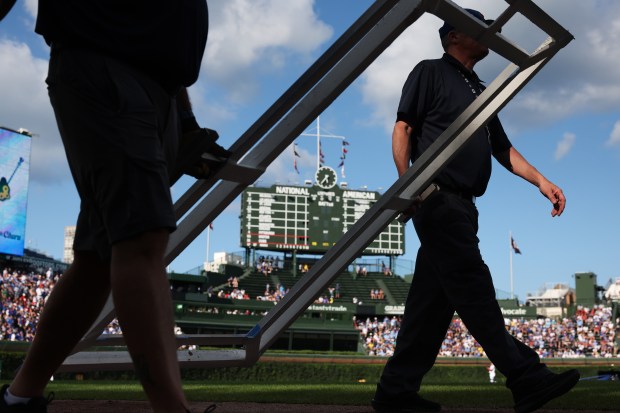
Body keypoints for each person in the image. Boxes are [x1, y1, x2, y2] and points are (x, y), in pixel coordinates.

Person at [0, 1, 217, 413]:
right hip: (105, 62)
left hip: (159, 88)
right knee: (141, 238)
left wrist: (185, 118)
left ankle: (18, 398)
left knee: (97, 260)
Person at [371, 9, 579, 413]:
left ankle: (396, 392)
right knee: (475, 287)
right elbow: (403, 128)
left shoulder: (482, 90)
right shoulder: (430, 71)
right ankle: (525, 376)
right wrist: (408, 181)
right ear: (453, 36)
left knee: (429, 309)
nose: (489, 32)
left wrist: (542, 181)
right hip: (437, 198)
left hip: (464, 207)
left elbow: (502, 149)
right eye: (479, 26)